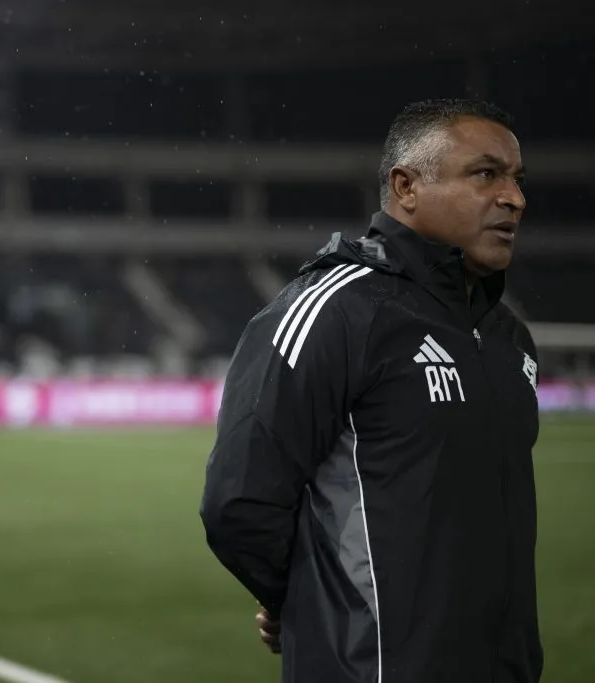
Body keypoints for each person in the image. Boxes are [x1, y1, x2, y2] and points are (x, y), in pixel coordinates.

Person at [199, 99, 541, 683]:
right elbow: (240, 501)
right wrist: (308, 600)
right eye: (486, 174)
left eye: (516, 178)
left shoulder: (506, 335)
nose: (514, 197)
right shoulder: (337, 310)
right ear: (406, 187)